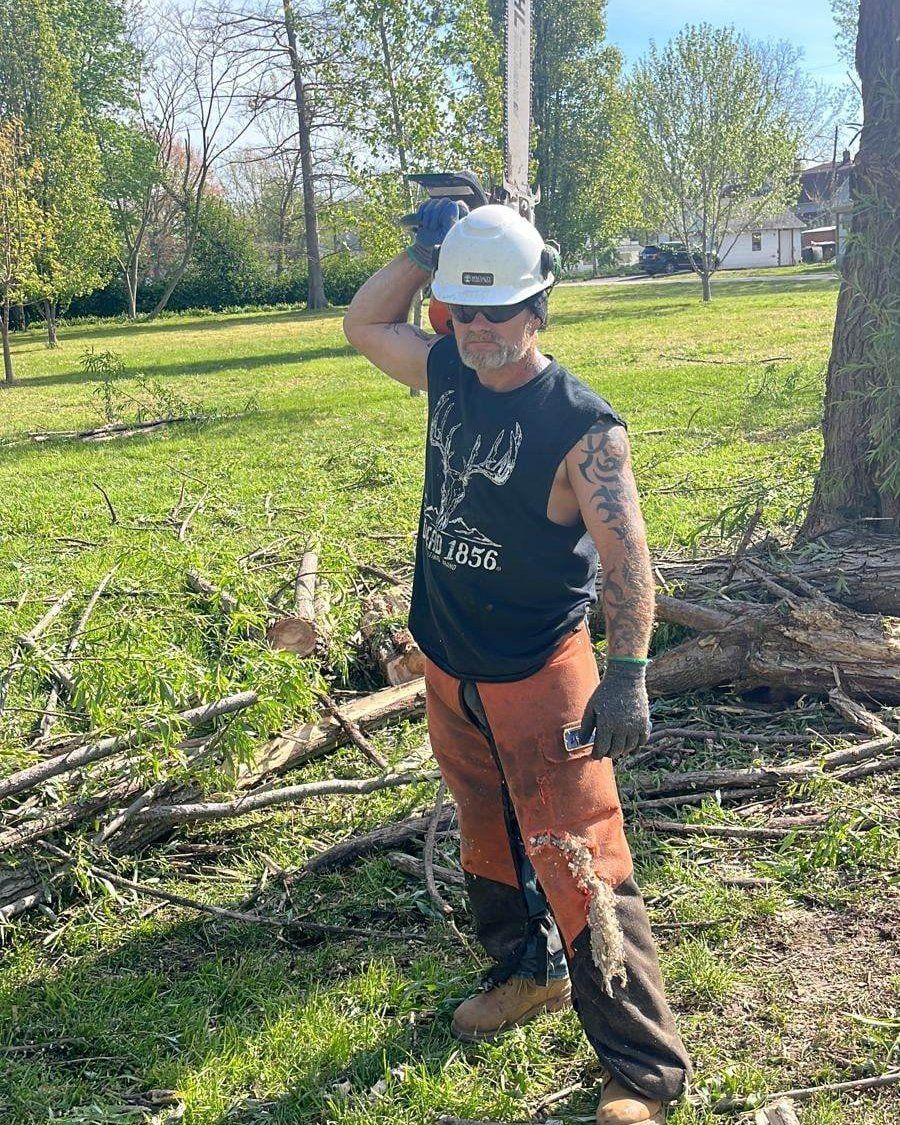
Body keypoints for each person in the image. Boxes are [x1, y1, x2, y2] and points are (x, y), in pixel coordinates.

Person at [343, 199, 692, 1124]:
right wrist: (426, 253)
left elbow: (627, 561)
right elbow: (363, 323)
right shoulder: (450, 366)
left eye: (501, 310)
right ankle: (525, 972)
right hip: (451, 665)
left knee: (581, 859)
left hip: (542, 673)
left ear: (540, 307)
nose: (483, 329)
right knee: (486, 833)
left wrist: (627, 673)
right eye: (465, 307)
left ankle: (643, 1073)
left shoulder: (583, 427)